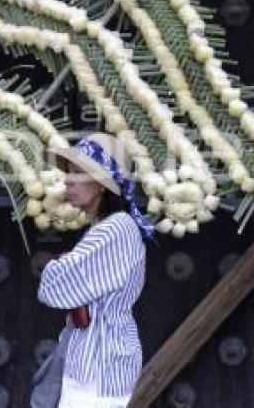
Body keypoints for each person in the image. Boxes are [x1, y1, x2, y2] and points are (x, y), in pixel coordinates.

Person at [37, 133, 153, 408]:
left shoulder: (116, 229)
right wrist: (69, 263)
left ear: (102, 184)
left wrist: (59, 265)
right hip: (94, 360)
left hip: (99, 366)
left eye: (78, 173)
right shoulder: (105, 229)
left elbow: (52, 289)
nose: (67, 180)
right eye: (68, 171)